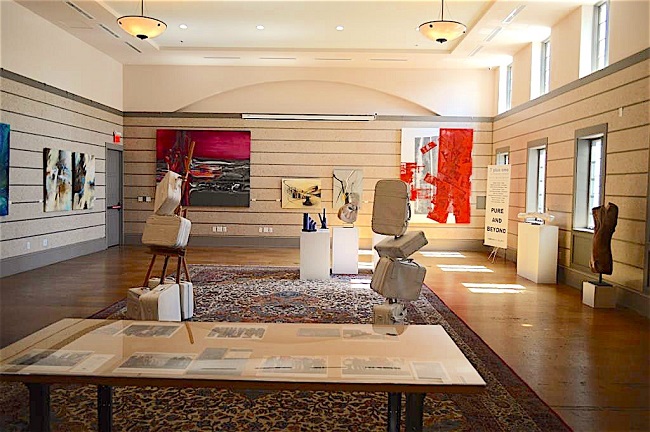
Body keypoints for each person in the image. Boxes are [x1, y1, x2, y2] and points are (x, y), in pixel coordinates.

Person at [590, 202, 618, 276]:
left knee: (601, 250)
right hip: (599, 234)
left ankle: (601, 267)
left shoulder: (612, 210)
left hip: (602, 236)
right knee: (596, 250)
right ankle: (596, 266)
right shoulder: (599, 226)